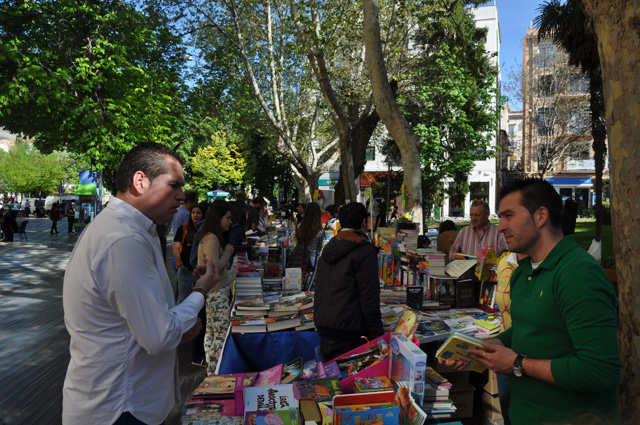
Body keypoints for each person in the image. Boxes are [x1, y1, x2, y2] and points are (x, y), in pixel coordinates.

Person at [62, 142, 221, 425]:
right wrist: (200, 292)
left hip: (121, 404)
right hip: (120, 408)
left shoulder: (129, 231)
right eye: (174, 185)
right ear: (140, 181)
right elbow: (159, 336)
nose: (182, 196)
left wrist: (175, 325)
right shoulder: (123, 240)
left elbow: (150, 325)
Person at [445, 178, 621, 425]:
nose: (501, 226)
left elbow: (600, 372)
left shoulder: (579, 274)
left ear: (541, 216)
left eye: (508, 216)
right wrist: (479, 349)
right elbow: (529, 329)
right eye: (499, 217)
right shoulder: (522, 271)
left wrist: (518, 364)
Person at [314, 202, 384, 360]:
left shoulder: (330, 246)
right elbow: (369, 297)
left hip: (327, 327)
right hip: (350, 333)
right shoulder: (364, 251)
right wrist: (378, 339)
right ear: (364, 223)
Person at [197, 203, 234, 373]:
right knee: (219, 333)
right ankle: (215, 371)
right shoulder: (212, 238)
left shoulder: (208, 236)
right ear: (218, 218)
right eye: (227, 217)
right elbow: (214, 266)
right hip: (217, 291)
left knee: (212, 332)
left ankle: (211, 370)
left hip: (213, 291)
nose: (230, 221)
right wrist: (227, 252)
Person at [174, 204, 205, 303]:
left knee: (200, 297)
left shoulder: (204, 231)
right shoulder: (183, 229)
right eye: (193, 212)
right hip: (185, 270)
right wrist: (180, 264)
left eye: (198, 213)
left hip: (199, 271)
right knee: (182, 298)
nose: (195, 215)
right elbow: (176, 248)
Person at [293, 202, 325, 290]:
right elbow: (319, 247)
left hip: (301, 259)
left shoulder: (300, 227)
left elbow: (298, 242)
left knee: (301, 282)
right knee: (313, 284)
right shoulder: (320, 231)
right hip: (314, 260)